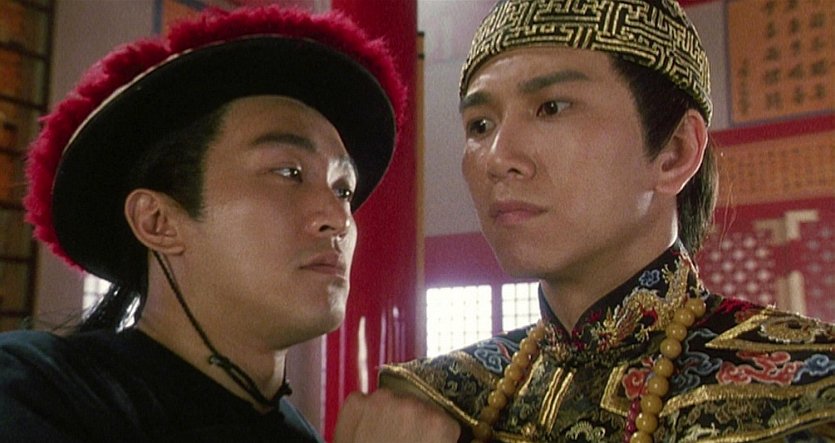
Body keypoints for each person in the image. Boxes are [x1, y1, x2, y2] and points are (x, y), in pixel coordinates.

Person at [381, 0, 835, 442]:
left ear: (674, 152)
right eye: (480, 125)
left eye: (551, 107)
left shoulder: (811, 393)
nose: (497, 159)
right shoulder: (437, 403)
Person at [0, 5, 458, 443]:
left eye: (343, 189)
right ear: (158, 222)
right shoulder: (36, 390)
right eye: (289, 172)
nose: (338, 218)